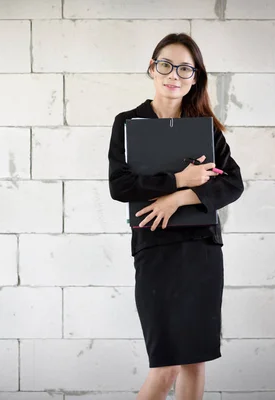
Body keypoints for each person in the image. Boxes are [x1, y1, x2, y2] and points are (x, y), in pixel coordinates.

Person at [107, 33, 244, 400]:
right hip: (155, 248)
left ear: (195, 77)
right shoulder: (128, 122)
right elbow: (120, 187)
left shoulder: (204, 128)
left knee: (194, 362)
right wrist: (178, 179)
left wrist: (179, 198)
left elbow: (232, 184)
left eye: (186, 68)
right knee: (165, 366)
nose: (174, 75)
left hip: (201, 250)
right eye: (166, 65)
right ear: (152, 68)